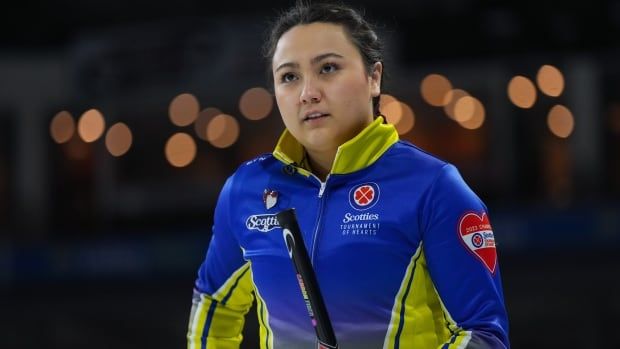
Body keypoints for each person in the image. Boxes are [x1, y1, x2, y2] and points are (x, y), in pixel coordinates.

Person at [187, 1, 510, 348]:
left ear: (374, 77)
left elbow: (484, 335)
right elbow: (214, 305)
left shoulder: (433, 187)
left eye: (327, 68)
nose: (308, 93)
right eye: (289, 77)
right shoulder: (246, 190)